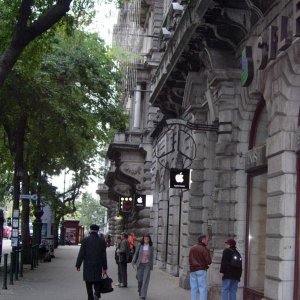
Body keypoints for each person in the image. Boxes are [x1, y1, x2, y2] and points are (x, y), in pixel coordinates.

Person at [75, 224, 107, 300]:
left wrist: (78, 265)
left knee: (88, 284)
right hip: (98, 265)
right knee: (97, 282)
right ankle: (96, 294)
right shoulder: (102, 241)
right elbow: (103, 255)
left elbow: (81, 253)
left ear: (90, 230)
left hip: (88, 265)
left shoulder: (85, 240)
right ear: (97, 230)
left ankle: (90, 297)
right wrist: (104, 267)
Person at [189, 234, 212, 300]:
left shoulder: (192, 248)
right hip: (201, 269)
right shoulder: (204, 249)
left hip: (193, 270)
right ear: (203, 240)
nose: (207, 241)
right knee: (202, 288)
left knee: (194, 288)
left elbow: (190, 259)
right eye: (206, 240)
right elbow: (209, 262)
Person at [132, 234, 154, 300]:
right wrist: (133, 261)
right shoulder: (140, 245)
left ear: (149, 239)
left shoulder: (151, 247)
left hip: (147, 265)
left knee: (145, 280)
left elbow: (152, 257)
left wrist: (151, 266)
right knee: (140, 279)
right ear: (143, 239)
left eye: (147, 239)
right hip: (140, 264)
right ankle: (140, 289)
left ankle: (143, 295)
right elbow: (136, 253)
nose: (146, 240)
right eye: (145, 239)